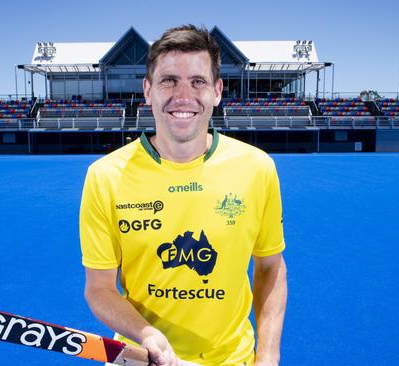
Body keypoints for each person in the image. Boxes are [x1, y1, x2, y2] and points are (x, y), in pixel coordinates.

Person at [80, 24, 287, 366]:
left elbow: (271, 268)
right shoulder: (105, 176)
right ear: (147, 90)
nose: (183, 96)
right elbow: (99, 289)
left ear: (217, 91)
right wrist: (147, 334)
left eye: (197, 81)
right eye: (168, 80)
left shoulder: (257, 169)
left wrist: (267, 357)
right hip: (141, 356)